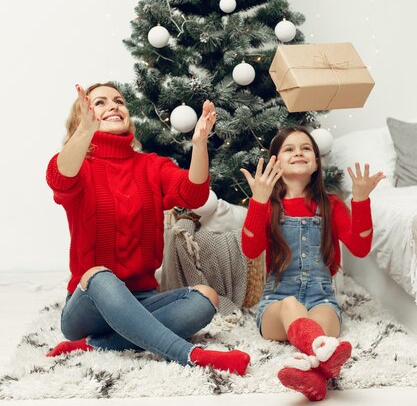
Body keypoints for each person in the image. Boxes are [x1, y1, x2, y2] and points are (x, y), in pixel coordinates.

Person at [45, 82, 250, 375]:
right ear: (82, 118)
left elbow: (194, 194)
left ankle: (97, 345)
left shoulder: (151, 166)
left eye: (118, 100)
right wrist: (85, 132)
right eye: (99, 103)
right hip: (89, 304)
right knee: (99, 274)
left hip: (142, 298)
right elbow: (59, 178)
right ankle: (192, 356)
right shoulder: (79, 166)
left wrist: (200, 144)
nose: (114, 105)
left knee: (206, 297)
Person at [240, 126, 385, 401]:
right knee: (292, 307)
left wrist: (361, 200)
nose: (299, 153)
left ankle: (314, 380)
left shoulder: (331, 205)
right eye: (289, 149)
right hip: (277, 303)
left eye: (306, 148)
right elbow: (250, 249)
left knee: (324, 322)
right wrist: (258, 201)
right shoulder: (267, 206)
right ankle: (325, 361)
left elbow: (360, 247)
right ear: (275, 162)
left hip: (322, 299)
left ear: (316, 162)